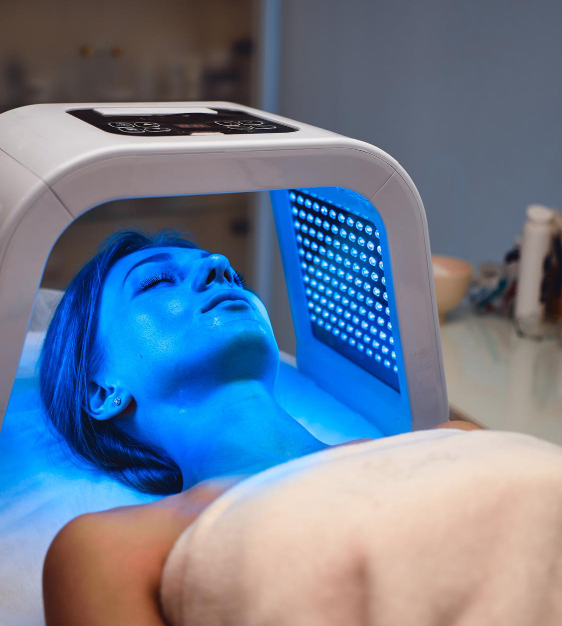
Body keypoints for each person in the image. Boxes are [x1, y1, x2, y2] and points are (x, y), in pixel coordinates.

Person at [38, 229, 476, 625]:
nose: (219, 266)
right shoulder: (109, 550)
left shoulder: (455, 444)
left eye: (234, 274)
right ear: (102, 390)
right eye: (156, 282)